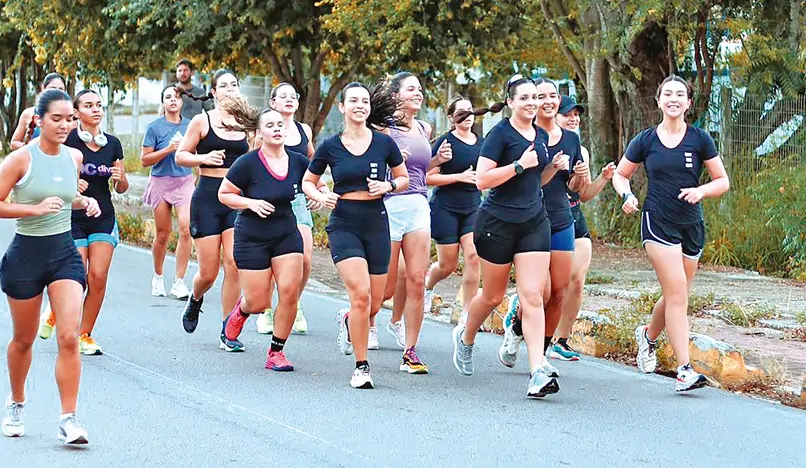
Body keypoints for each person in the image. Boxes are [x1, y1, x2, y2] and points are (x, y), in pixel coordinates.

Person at [612, 75, 730, 392]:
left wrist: (701, 191)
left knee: (677, 293)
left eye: (680, 94)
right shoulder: (645, 140)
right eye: (668, 94)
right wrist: (627, 195)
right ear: (659, 100)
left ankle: (648, 337)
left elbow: (722, 181)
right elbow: (621, 175)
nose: (674, 99)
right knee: (677, 293)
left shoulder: (700, 139)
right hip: (657, 220)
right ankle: (684, 369)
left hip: (691, 224)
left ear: (688, 103)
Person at [1, 88, 101, 444]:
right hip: (25, 255)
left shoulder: (73, 157)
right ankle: (16, 401)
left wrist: (84, 201)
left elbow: (66, 197)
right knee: (24, 340)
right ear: (38, 120)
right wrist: (33, 209)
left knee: (69, 336)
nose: (63, 125)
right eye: (55, 119)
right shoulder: (20, 160)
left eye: (68, 119)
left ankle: (68, 419)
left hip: (63, 253)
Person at [450, 75, 559, 398]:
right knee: (493, 295)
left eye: (534, 98)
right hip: (496, 224)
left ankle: (537, 369)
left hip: (534, 222)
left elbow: (534, 182)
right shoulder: (499, 135)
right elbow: (482, 180)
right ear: (510, 102)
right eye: (523, 98)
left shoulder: (540, 135)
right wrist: (519, 165)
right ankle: (466, 336)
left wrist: (551, 169)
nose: (531, 103)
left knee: (533, 295)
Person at [302, 81, 409, 388]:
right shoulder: (330, 146)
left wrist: (388, 186)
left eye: (365, 101)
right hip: (344, 223)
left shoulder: (384, 143)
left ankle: (351, 320)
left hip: (376, 223)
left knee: (375, 302)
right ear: (343, 108)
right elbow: (308, 181)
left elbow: (403, 179)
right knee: (360, 295)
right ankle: (361, 367)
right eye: (354, 101)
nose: (360, 105)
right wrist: (321, 196)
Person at [498, 79, 589, 379]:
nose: (547, 101)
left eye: (552, 96)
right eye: (542, 96)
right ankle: (516, 327)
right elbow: (522, 183)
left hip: (562, 218)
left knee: (559, 292)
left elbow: (576, 189)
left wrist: (579, 175)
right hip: (531, 218)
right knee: (540, 291)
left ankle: (544, 354)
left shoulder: (572, 139)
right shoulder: (526, 135)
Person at [217, 100, 309, 371]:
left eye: (280, 124)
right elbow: (225, 194)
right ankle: (241, 311)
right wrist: (250, 203)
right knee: (259, 302)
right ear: (259, 134)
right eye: (270, 126)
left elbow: (315, 183)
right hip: (252, 236)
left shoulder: (298, 161)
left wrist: (318, 195)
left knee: (290, 291)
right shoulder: (247, 164)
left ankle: (276, 352)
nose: (277, 129)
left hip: (286, 233)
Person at [38, 90, 129, 356]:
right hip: (71, 217)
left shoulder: (112, 144)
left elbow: (122, 188)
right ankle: (56, 310)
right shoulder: (66, 143)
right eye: (89, 105)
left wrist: (120, 178)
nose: (96, 110)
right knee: (77, 277)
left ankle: (84, 334)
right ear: (76, 112)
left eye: (99, 105)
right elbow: (49, 177)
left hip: (103, 217)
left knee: (98, 277)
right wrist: (70, 184)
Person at [374, 72, 448, 374]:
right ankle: (355, 318)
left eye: (420, 88)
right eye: (411, 89)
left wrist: (437, 160)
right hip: (390, 204)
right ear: (395, 96)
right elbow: (376, 165)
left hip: (418, 203)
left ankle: (410, 352)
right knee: (387, 288)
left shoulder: (423, 127)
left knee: (417, 281)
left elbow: (419, 169)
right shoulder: (383, 129)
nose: (418, 93)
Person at [176, 69, 249, 352]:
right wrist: (204, 157)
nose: (230, 89)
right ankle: (196, 299)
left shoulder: (247, 123)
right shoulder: (202, 120)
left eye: (234, 84)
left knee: (234, 263)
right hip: (207, 196)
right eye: (224, 86)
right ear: (214, 92)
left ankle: (228, 330)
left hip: (235, 197)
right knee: (209, 271)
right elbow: (181, 155)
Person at [550, 95, 616, 361]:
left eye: (576, 114)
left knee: (577, 281)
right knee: (556, 285)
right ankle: (521, 313)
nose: (573, 118)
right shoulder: (543, 143)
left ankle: (561, 340)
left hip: (574, 213)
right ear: (554, 116)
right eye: (567, 114)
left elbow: (583, 193)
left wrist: (601, 177)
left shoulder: (581, 149)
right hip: (548, 216)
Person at [254, 82, 316, 336]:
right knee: (272, 260)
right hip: (270, 200)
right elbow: (252, 163)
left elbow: (313, 163)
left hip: (298, 200)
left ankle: (293, 303)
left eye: (294, 96)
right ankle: (267, 311)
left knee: (305, 258)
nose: (290, 100)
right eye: (283, 96)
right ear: (273, 103)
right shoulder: (264, 132)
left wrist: (316, 189)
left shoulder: (305, 130)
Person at [423, 95, 482, 326]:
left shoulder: (482, 143)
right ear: (451, 117)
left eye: (470, 111)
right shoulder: (445, 143)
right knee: (447, 265)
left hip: (473, 207)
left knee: (473, 256)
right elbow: (427, 177)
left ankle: (466, 313)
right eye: (461, 112)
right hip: (445, 207)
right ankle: (428, 285)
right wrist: (460, 176)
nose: (467, 116)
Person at [141, 86, 193, 300]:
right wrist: (169, 150)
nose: (173, 100)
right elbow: (145, 160)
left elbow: (196, 153)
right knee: (163, 233)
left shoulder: (190, 125)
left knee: (186, 228)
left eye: (177, 97)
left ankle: (179, 281)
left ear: (182, 102)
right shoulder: (154, 127)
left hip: (184, 181)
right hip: (161, 181)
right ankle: (158, 276)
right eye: (168, 97)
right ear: (163, 102)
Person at [10, 73, 67, 150]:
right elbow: (14, 143)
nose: (56, 93)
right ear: (43, 88)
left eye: (60, 89)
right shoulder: (29, 113)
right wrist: (31, 148)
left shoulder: (69, 116)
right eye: (52, 88)